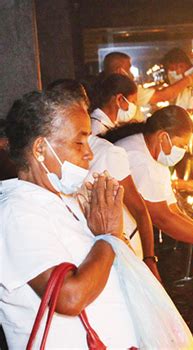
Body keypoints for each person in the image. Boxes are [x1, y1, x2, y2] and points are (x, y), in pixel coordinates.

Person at [0, 90, 140, 347]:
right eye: (79, 142)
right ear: (40, 148)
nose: (89, 154)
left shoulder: (64, 199)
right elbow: (69, 297)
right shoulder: (16, 213)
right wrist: (108, 237)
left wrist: (111, 236)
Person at [46, 79, 160, 278]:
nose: (87, 154)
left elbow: (139, 210)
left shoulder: (105, 152)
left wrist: (148, 260)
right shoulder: (46, 157)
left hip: (118, 250)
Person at [104, 106, 193, 259]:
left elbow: (173, 210)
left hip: (125, 235)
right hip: (113, 238)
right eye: (182, 145)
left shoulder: (154, 155)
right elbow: (162, 218)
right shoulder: (138, 158)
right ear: (163, 137)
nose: (183, 151)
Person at [102, 51, 193, 107]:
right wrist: (189, 79)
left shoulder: (105, 89)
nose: (131, 74)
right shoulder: (128, 91)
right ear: (120, 71)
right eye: (129, 69)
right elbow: (165, 95)